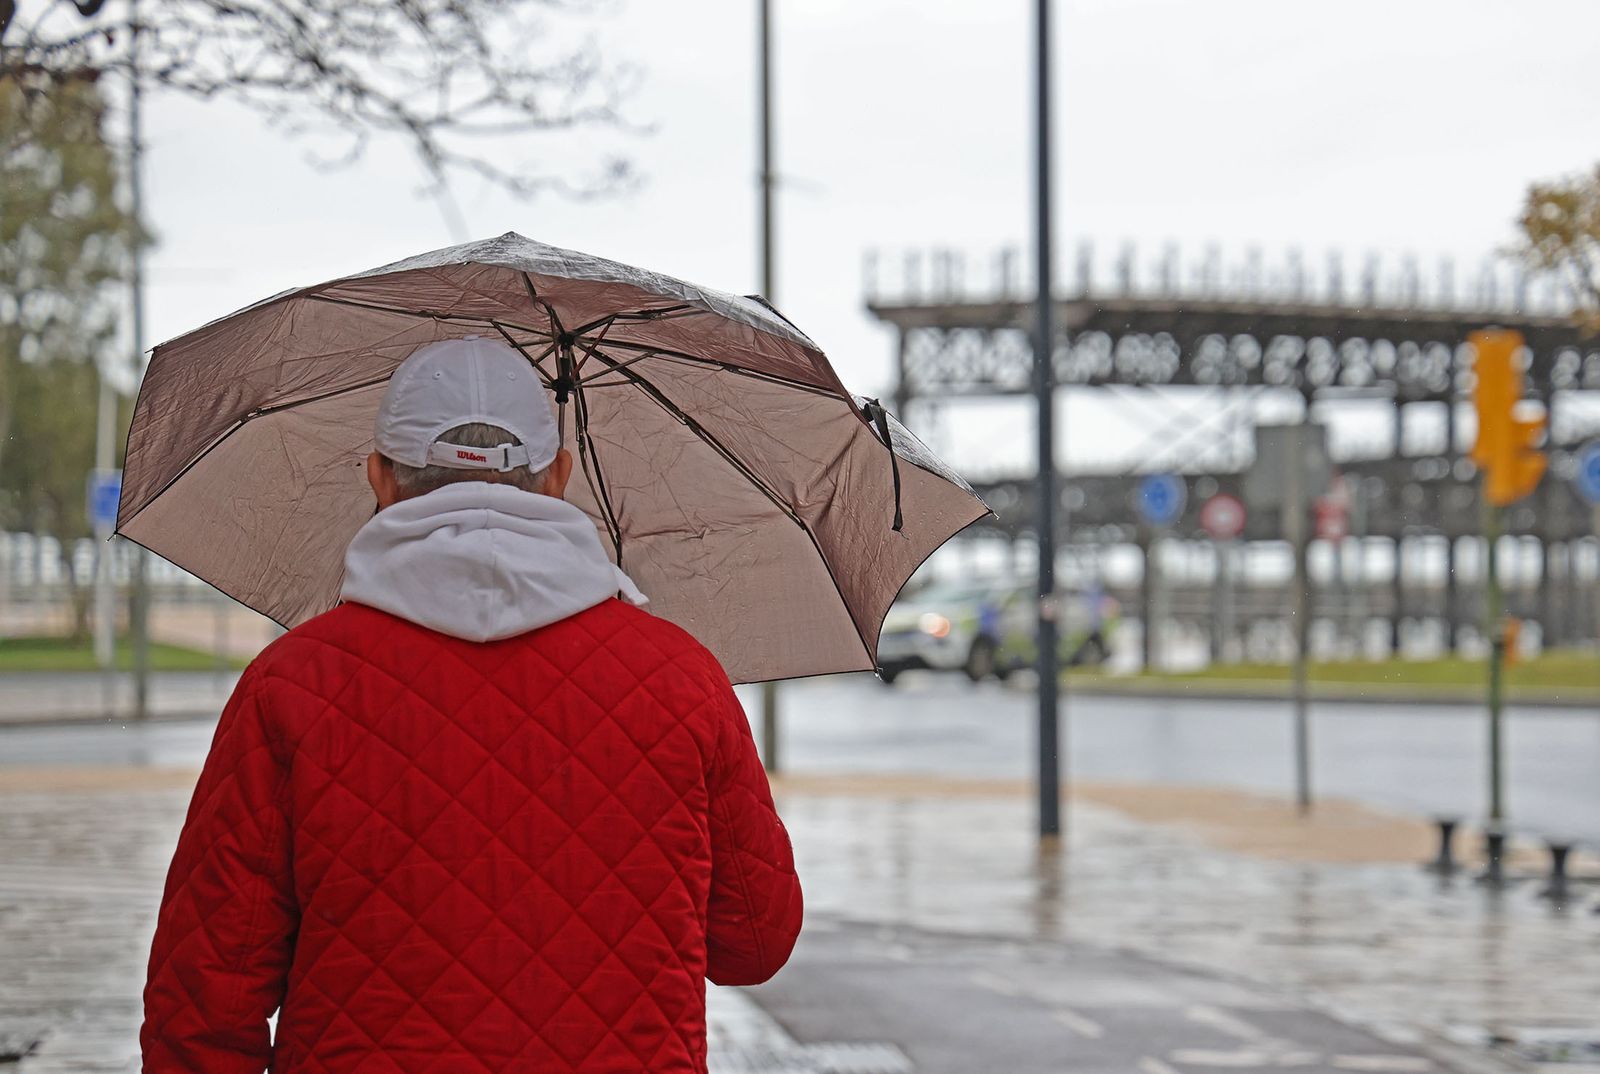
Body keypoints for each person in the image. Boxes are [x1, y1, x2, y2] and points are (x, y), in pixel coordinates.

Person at [140, 336, 803, 1074]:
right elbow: (753, 944)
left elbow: (201, 1007)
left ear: (380, 479)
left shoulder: (289, 686)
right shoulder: (682, 680)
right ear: (558, 475)